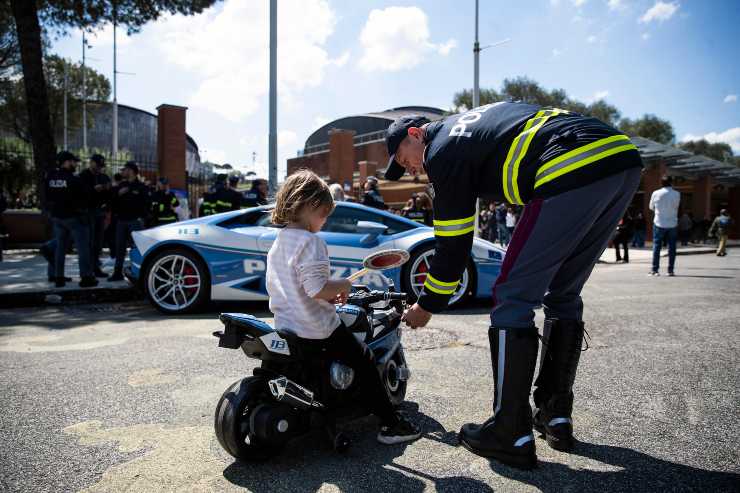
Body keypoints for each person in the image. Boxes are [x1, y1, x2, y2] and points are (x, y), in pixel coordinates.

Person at [383, 103, 643, 469]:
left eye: (402, 157)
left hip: (569, 165)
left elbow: (453, 245)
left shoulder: (441, 149)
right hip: (620, 158)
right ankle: (554, 414)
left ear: (415, 135)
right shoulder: (470, 125)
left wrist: (426, 306)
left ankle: (509, 433)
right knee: (563, 293)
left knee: (511, 297)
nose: (408, 168)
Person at [265, 169, 421, 445]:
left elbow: (296, 288)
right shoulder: (311, 242)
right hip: (316, 328)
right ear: (311, 206)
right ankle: (391, 425)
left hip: (287, 325)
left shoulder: (279, 242)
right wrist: (343, 287)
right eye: (324, 214)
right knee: (364, 359)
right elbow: (316, 289)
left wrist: (327, 293)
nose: (324, 222)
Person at [45, 151, 98, 288]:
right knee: (83, 249)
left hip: (57, 217)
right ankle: (86, 278)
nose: (75, 164)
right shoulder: (74, 179)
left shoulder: (50, 177)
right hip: (74, 218)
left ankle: (59, 278)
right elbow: (85, 198)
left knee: (60, 249)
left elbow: (47, 196)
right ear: (67, 162)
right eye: (74, 162)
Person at [108, 161, 150, 282]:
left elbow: (146, 203)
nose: (122, 172)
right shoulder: (121, 186)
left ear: (131, 171)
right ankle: (117, 273)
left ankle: (140, 273)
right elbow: (113, 202)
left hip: (135, 221)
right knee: (119, 247)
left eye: (125, 169)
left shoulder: (141, 187)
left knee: (137, 248)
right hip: (121, 221)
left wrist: (142, 217)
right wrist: (118, 194)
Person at [79, 154, 111, 277]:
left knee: (98, 243)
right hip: (88, 213)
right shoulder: (83, 176)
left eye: (101, 166)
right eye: (97, 165)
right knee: (89, 243)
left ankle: (96, 268)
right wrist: (93, 189)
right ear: (91, 163)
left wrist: (108, 212)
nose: (99, 168)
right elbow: (80, 193)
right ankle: (88, 270)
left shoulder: (104, 177)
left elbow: (109, 196)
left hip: (100, 212)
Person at [649, 176, 680, 276]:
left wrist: (659, 211)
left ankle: (655, 270)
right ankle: (670, 270)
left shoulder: (656, 193)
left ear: (661, 183)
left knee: (657, 246)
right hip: (672, 223)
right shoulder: (677, 194)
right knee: (672, 248)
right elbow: (676, 207)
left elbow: (651, 207)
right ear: (671, 182)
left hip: (659, 222)